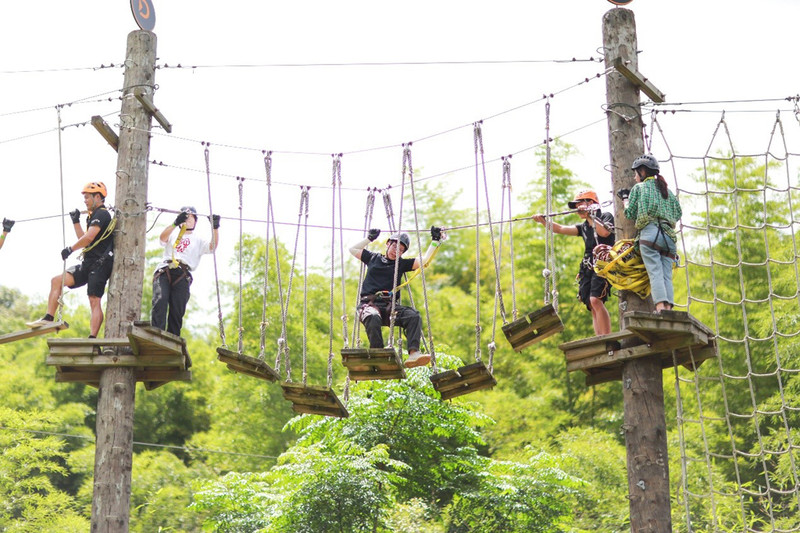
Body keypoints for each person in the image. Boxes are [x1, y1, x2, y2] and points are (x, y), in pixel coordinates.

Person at [27, 182, 115, 337]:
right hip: (88, 263)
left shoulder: (102, 214)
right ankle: (49, 317)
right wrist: (76, 222)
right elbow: (83, 238)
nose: (85, 201)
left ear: (98, 197)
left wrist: (70, 249)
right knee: (57, 281)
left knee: (94, 299)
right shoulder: (92, 216)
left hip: (100, 264)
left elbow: (88, 238)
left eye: (87, 197)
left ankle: (92, 337)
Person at [349, 226, 442, 368]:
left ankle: (413, 353)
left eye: (401, 250)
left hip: (388, 307)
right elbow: (353, 249)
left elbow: (423, 261)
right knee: (372, 317)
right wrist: (369, 238)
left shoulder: (401, 264)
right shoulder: (373, 258)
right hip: (369, 304)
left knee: (413, 316)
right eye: (394, 246)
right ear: (388, 244)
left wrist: (435, 241)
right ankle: (378, 353)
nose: (396, 251)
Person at [533, 190, 615, 336]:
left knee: (595, 300)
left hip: (603, 263)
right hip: (588, 266)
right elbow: (560, 229)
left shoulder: (605, 217)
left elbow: (604, 233)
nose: (578, 210)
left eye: (580, 205)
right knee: (590, 304)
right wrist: (544, 221)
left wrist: (590, 216)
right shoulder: (583, 227)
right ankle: (600, 337)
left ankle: (606, 336)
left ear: (592, 204)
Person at [618, 154, 682, 314]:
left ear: (642, 171)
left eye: (635, 173)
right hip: (669, 238)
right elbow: (678, 213)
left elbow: (630, 213)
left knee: (655, 273)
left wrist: (625, 199)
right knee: (666, 274)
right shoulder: (667, 191)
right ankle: (669, 308)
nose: (634, 177)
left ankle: (660, 307)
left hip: (650, 235)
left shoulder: (639, 189)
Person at [151, 207, 220, 336]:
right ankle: (156, 334)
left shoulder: (198, 240)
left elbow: (212, 247)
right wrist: (175, 223)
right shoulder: (172, 233)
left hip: (182, 274)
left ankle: (172, 338)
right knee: (160, 300)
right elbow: (162, 238)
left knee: (177, 310)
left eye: (191, 217)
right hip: (165, 270)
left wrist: (215, 228)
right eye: (185, 217)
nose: (188, 219)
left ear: (195, 221)